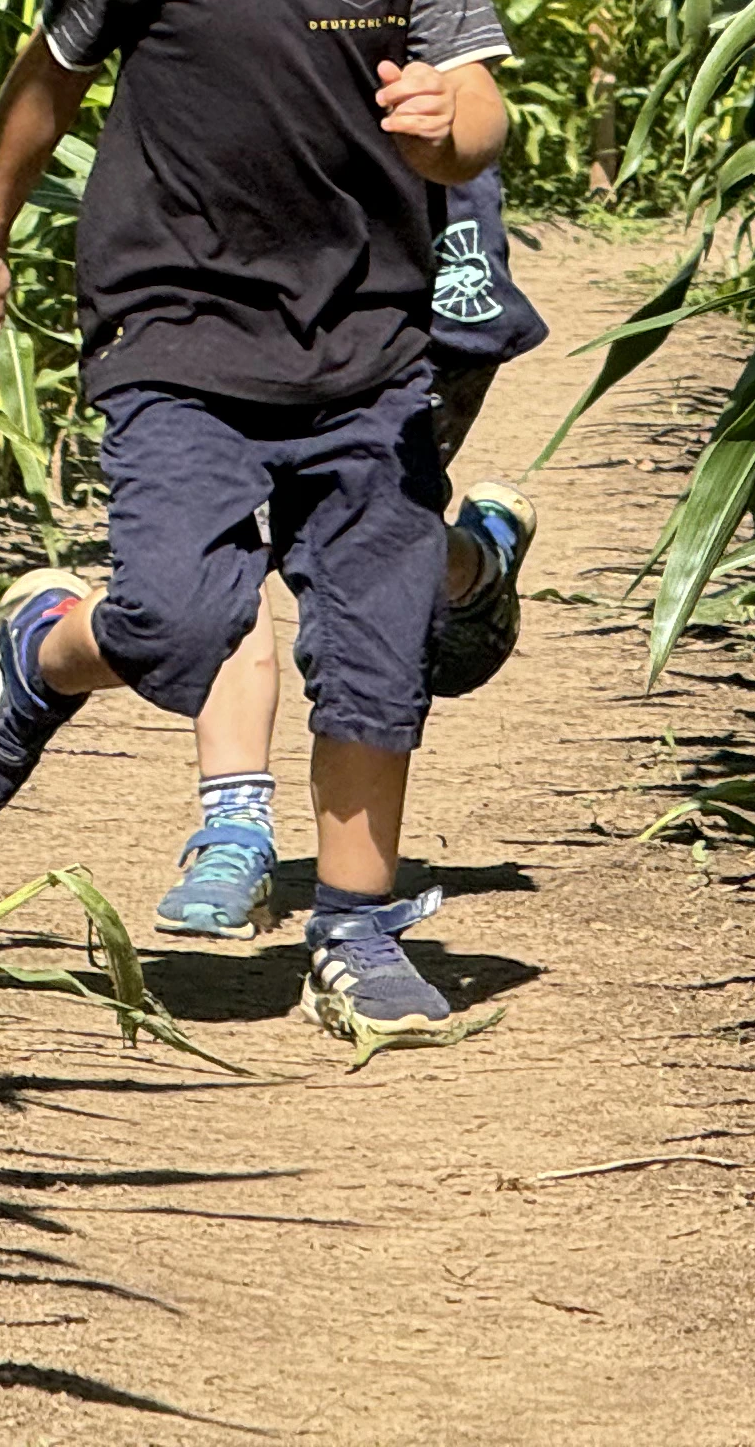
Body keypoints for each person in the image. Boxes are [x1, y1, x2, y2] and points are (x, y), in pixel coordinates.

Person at [0, 0, 519, 1044]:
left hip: (369, 343)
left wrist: (455, 126)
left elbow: (486, 109)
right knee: (181, 609)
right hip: (176, 335)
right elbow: (49, 81)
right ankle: (52, 644)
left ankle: (357, 927)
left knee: (374, 637)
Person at [153, 167, 549, 941]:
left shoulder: (398, 47)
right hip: (240, 307)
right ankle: (234, 829)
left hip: (405, 314)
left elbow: (460, 115)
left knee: (365, 560)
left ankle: (474, 566)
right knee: (234, 547)